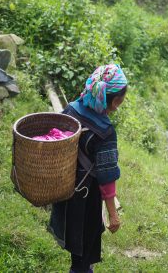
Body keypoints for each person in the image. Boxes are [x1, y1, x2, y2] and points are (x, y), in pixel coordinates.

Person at [49, 64, 128, 273]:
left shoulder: (71, 109)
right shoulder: (105, 131)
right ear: (113, 100)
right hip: (86, 197)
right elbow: (107, 177)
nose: (120, 104)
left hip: (65, 189)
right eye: (120, 99)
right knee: (83, 255)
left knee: (77, 248)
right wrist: (113, 214)